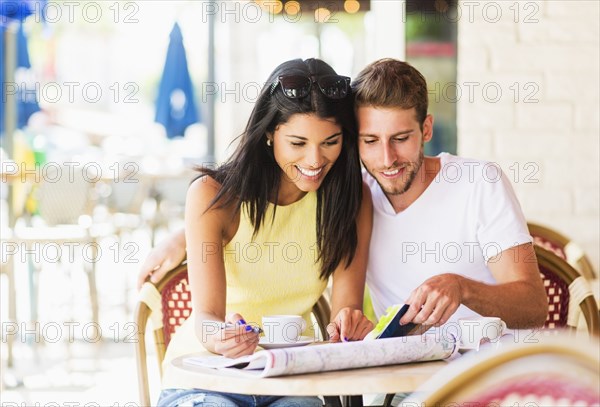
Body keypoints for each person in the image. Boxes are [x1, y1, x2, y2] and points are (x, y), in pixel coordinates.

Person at [154, 58, 373, 407]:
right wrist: (220, 337)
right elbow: (206, 319)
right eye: (298, 143)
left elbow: (343, 316)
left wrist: (348, 326)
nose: (315, 160)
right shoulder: (213, 196)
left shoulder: (352, 201)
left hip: (288, 382)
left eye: (330, 142)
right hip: (207, 377)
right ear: (270, 133)